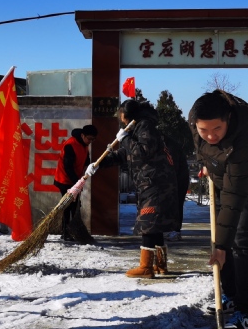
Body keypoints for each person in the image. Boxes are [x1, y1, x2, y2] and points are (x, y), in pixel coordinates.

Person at [189, 90, 248, 329]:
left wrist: (221, 246)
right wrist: (206, 164)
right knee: (222, 238)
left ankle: (245, 314)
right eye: (204, 130)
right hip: (221, 178)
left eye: (217, 129)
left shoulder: (244, 140)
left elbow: (234, 197)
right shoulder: (196, 123)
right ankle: (229, 295)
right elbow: (201, 148)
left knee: (239, 242)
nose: (210, 135)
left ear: (228, 118)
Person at [89, 99, 180, 278]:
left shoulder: (145, 126)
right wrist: (99, 164)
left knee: (148, 223)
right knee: (155, 225)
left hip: (156, 183)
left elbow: (143, 151)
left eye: (121, 115)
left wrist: (125, 139)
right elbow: (125, 155)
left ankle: (146, 267)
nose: (120, 119)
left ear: (127, 114)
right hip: (150, 183)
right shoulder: (137, 129)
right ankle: (160, 265)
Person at [54, 124, 98, 241]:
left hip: (76, 179)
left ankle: (73, 230)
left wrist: (88, 168)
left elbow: (86, 160)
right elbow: (67, 167)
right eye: (89, 139)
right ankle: (65, 232)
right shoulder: (70, 145)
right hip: (64, 179)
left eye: (93, 140)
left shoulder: (85, 144)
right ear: (83, 135)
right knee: (67, 206)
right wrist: (76, 183)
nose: (90, 142)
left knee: (75, 205)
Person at [164, 135, 191, 242]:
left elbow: (173, 165)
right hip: (175, 177)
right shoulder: (167, 143)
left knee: (174, 204)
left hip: (176, 179)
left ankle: (173, 230)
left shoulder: (168, 145)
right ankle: (172, 230)